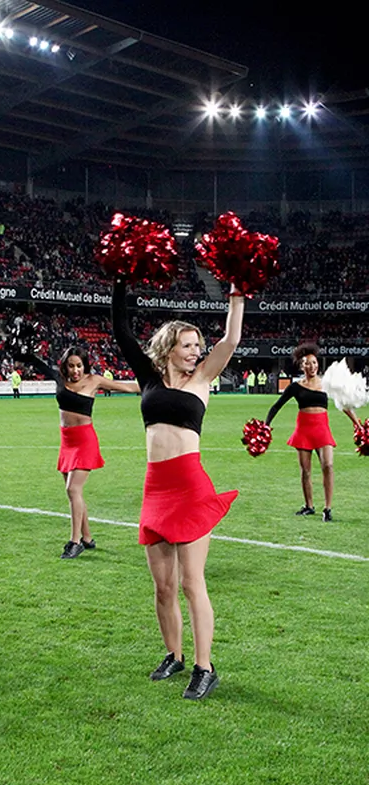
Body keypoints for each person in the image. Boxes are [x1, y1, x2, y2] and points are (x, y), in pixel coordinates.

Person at [112, 279, 244, 701]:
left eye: (197, 346)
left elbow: (231, 339)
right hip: (155, 488)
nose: (195, 352)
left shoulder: (203, 377)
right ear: (169, 346)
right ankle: (174, 654)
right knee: (163, 587)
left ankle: (205, 668)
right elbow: (120, 330)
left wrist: (237, 293)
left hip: (190, 487)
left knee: (191, 582)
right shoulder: (149, 378)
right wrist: (121, 280)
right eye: (187, 345)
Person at [56, 346, 139, 559]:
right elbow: (33, 362)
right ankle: (87, 538)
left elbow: (127, 387)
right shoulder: (61, 381)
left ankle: (75, 542)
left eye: (79, 365)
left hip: (84, 440)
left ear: (85, 365)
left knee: (73, 489)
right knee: (74, 493)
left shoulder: (94, 380)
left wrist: (157, 384)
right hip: (67, 441)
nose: (75, 370)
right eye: (71, 366)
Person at [265, 343, 359, 521]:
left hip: (322, 428)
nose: (312, 366)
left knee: (328, 465)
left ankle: (328, 508)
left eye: (314, 363)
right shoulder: (295, 386)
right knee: (305, 471)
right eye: (307, 363)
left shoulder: (327, 384)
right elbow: (277, 406)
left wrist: (357, 424)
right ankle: (309, 506)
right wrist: (266, 425)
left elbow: (344, 405)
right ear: (302, 366)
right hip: (304, 429)